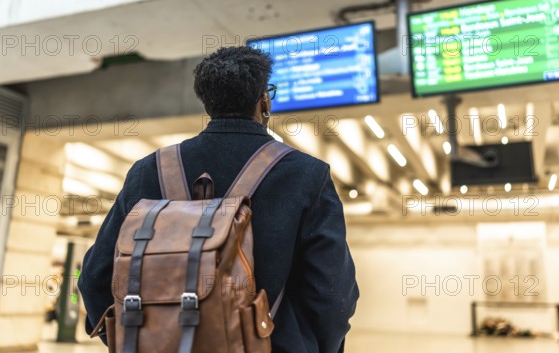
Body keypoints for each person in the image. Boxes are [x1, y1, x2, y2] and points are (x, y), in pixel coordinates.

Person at [78, 46, 359, 352]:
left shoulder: (148, 171)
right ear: (264, 100)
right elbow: (333, 296)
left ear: (207, 103)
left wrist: (139, 340)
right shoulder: (306, 175)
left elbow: (94, 278)